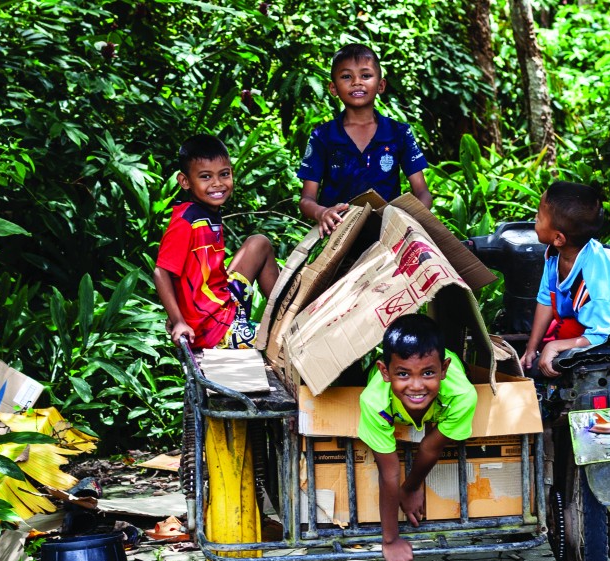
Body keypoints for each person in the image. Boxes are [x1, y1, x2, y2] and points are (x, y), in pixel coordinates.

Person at [358, 314, 478, 561]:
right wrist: (390, 539)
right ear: (385, 372)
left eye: (428, 373)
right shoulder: (374, 401)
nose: (416, 385)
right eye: (403, 374)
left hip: (448, 391)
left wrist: (411, 487)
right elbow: (389, 472)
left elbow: (429, 446)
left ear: (443, 370)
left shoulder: (462, 396)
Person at [154, 134, 280, 351]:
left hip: (224, 302)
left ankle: (287, 312)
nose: (217, 184)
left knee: (258, 243)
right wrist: (178, 320)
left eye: (224, 174)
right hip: (213, 329)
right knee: (281, 340)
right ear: (185, 181)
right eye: (205, 177)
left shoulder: (207, 213)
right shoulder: (186, 221)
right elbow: (161, 273)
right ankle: (285, 323)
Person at [520, 181, 610, 377]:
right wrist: (530, 349)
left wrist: (554, 346)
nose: (535, 218)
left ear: (559, 238)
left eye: (540, 217)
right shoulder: (554, 255)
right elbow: (546, 300)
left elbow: (601, 334)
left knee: (564, 336)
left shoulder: (593, 285)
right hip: (605, 308)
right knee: (550, 334)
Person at [297, 43, 432, 237]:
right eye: (346, 76)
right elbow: (306, 200)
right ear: (333, 88)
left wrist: (409, 221)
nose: (356, 82)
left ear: (381, 85)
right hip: (337, 235)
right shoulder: (322, 137)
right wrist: (322, 212)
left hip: (388, 235)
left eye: (365, 75)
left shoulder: (399, 133)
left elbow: (422, 193)